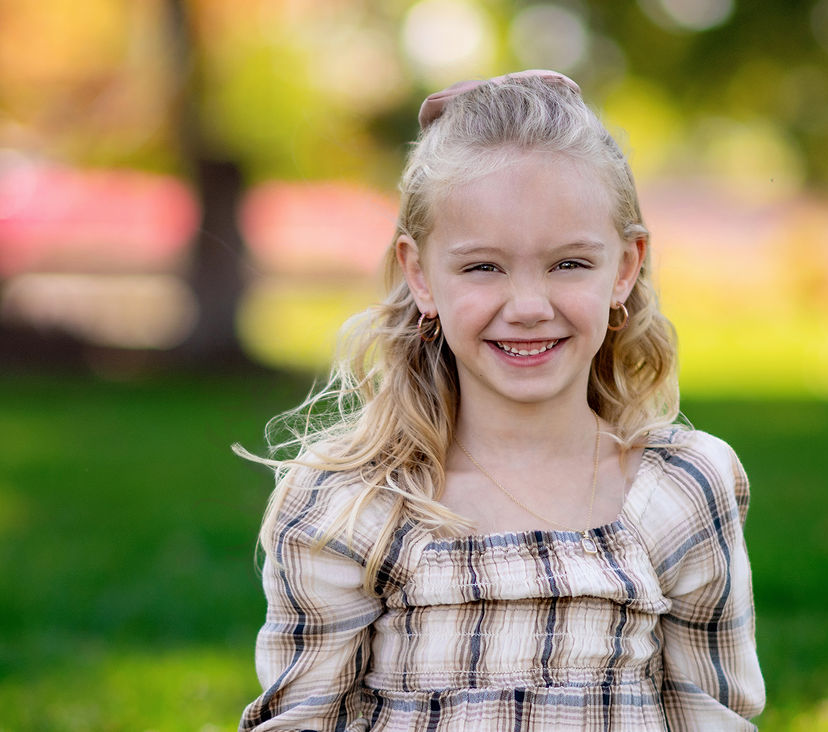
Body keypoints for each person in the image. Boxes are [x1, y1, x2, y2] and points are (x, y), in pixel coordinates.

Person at [238, 70, 765, 731]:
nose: (528, 307)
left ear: (625, 267)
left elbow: (712, 716)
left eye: (569, 264)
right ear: (420, 274)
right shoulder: (352, 506)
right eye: (483, 267)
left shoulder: (682, 490)